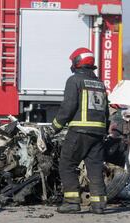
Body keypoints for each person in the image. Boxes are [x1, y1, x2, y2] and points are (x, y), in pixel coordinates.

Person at [50, 47, 109, 214]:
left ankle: (71, 202)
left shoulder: (74, 80)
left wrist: (55, 126)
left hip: (79, 132)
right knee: (95, 167)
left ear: (77, 63)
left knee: (67, 164)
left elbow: (68, 107)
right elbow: (106, 111)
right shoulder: (100, 84)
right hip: (98, 134)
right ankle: (99, 205)